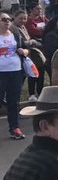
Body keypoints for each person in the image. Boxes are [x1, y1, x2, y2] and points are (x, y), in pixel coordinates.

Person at [0, 11, 28, 140]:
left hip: (15, 70)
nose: (7, 21)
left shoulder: (15, 34)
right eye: (3, 19)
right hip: (1, 72)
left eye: (9, 19)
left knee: (13, 101)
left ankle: (15, 127)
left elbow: (25, 48)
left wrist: (24, 51)